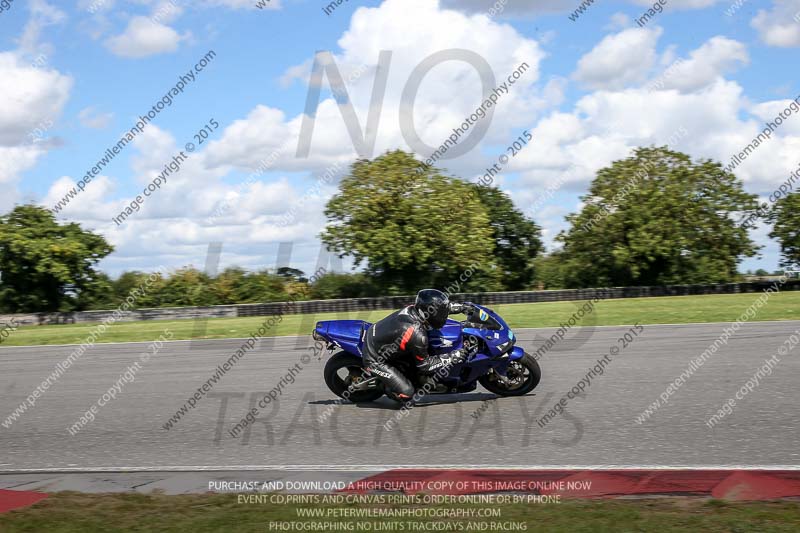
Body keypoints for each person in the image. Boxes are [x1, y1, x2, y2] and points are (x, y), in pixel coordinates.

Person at [362, 288, 472, 404]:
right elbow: (425, 366)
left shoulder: (417, 309)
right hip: (375, 358)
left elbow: (441, 307)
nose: (444, 316)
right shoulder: (417, 334)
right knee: (408, 394)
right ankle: (384, 386)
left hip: (382, 338)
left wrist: (463, 307)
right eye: (441, 314)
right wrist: (453, 356)